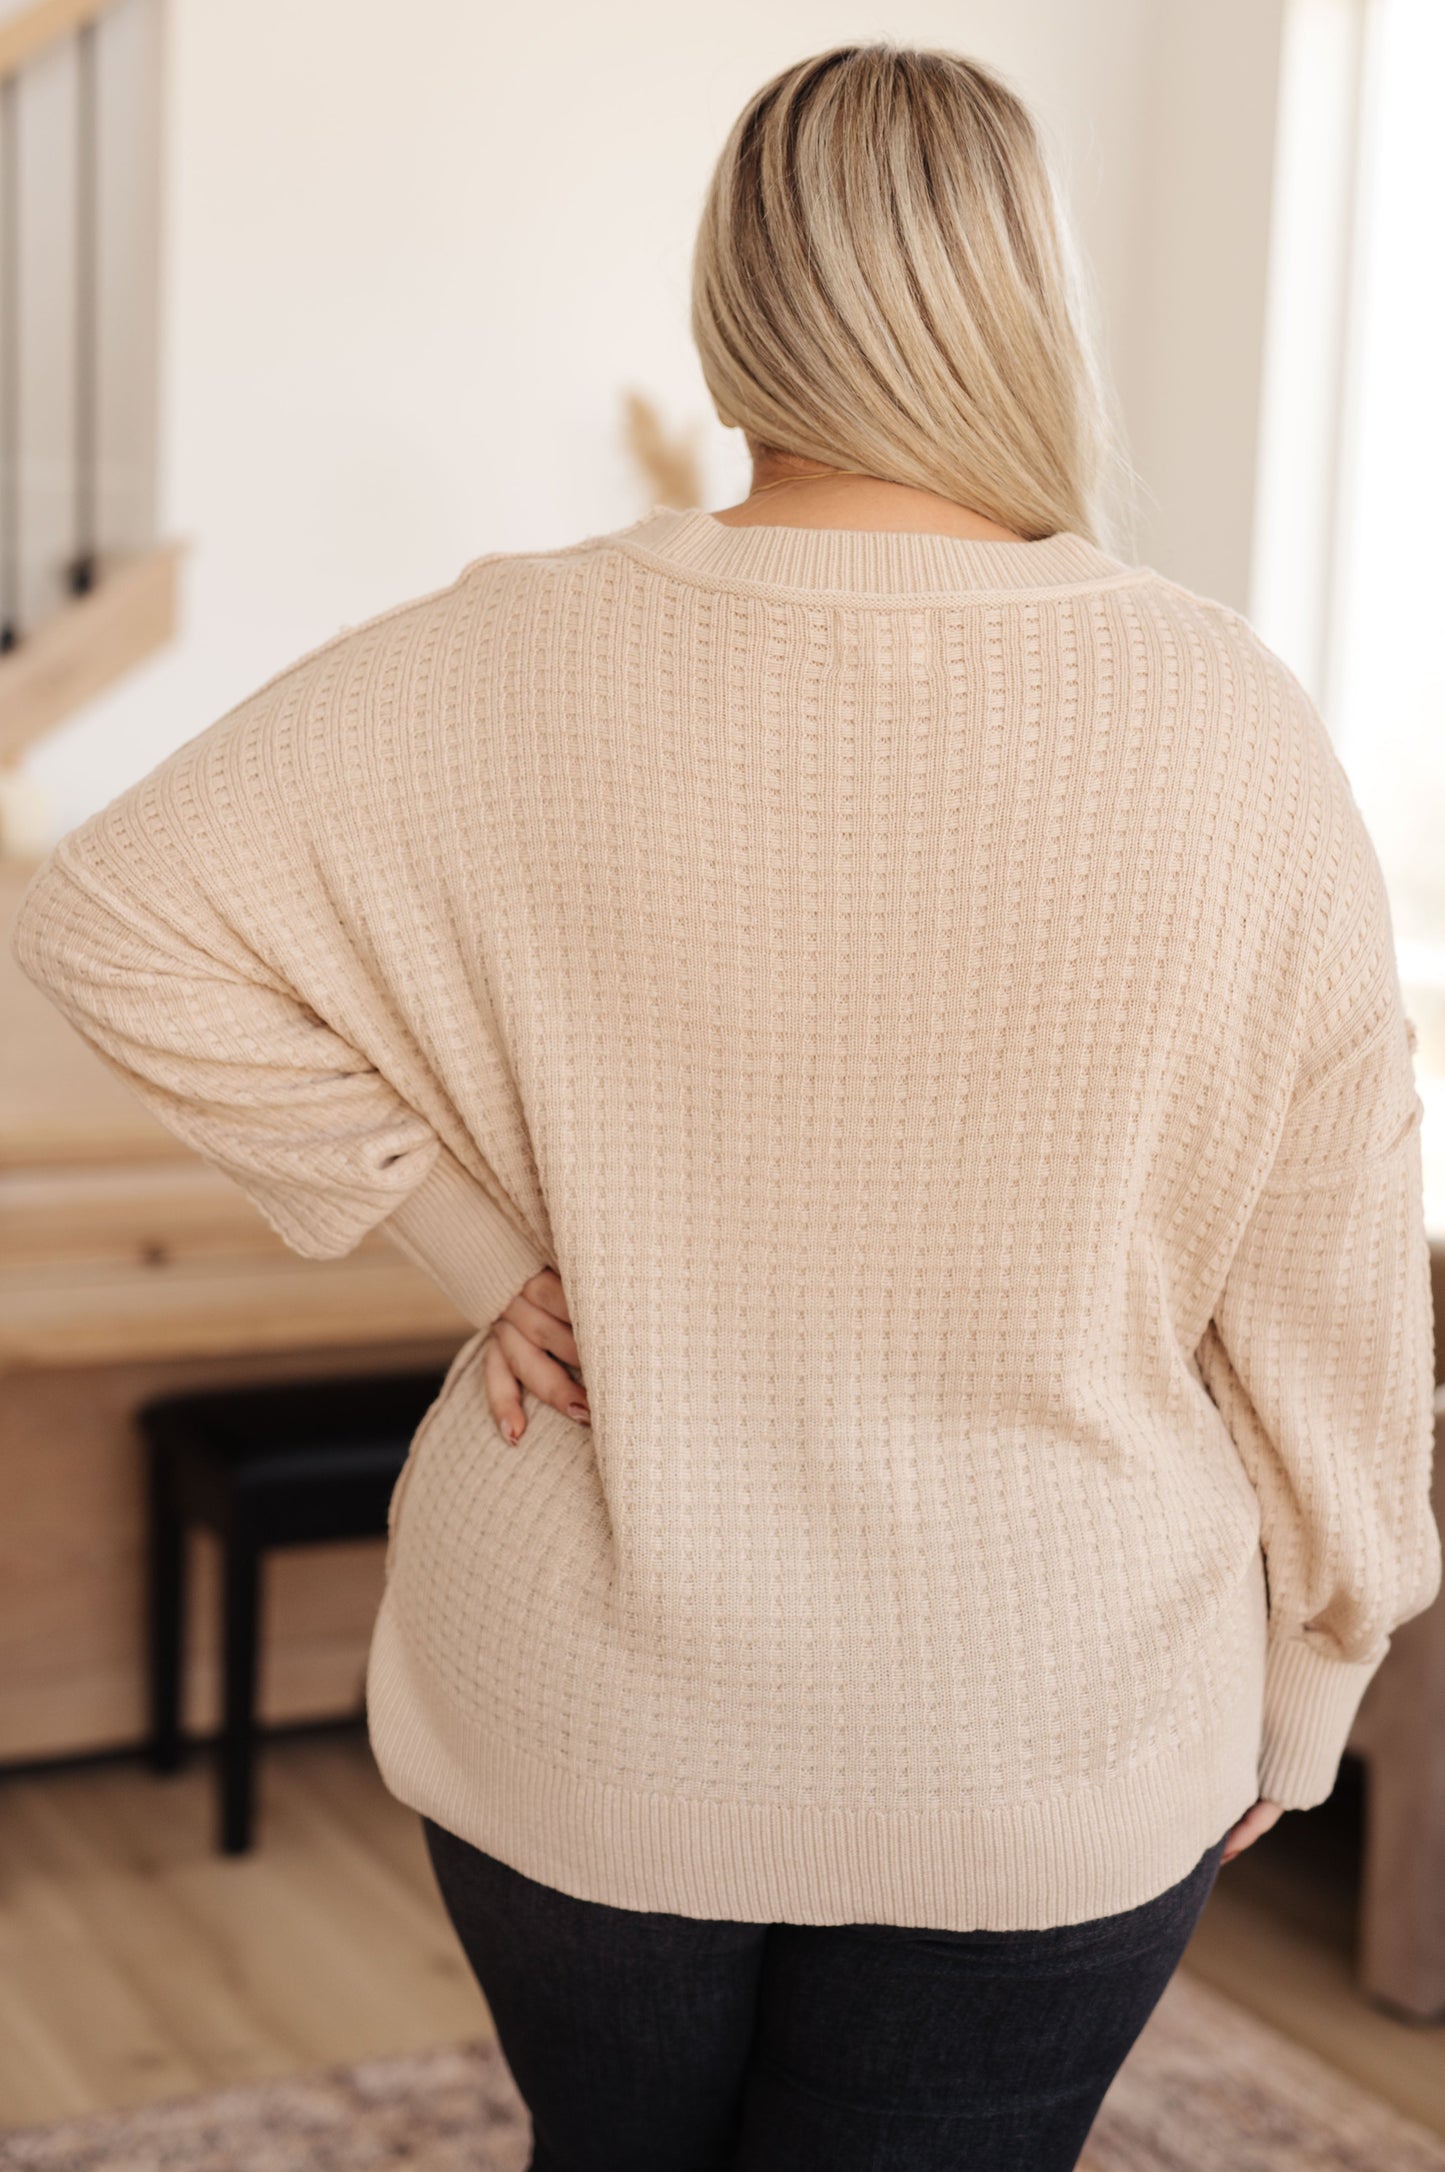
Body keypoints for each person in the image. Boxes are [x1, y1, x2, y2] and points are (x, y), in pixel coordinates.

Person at [10, 40, 1438, 2172]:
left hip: (587, 1710)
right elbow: (1330, 1278)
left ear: (736, 297)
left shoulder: (513, 649)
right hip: (1046, 1727)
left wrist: (468, 1246)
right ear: (1028, 291)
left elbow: (110, 911)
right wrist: (1324, 1669)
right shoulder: (1227, 718)